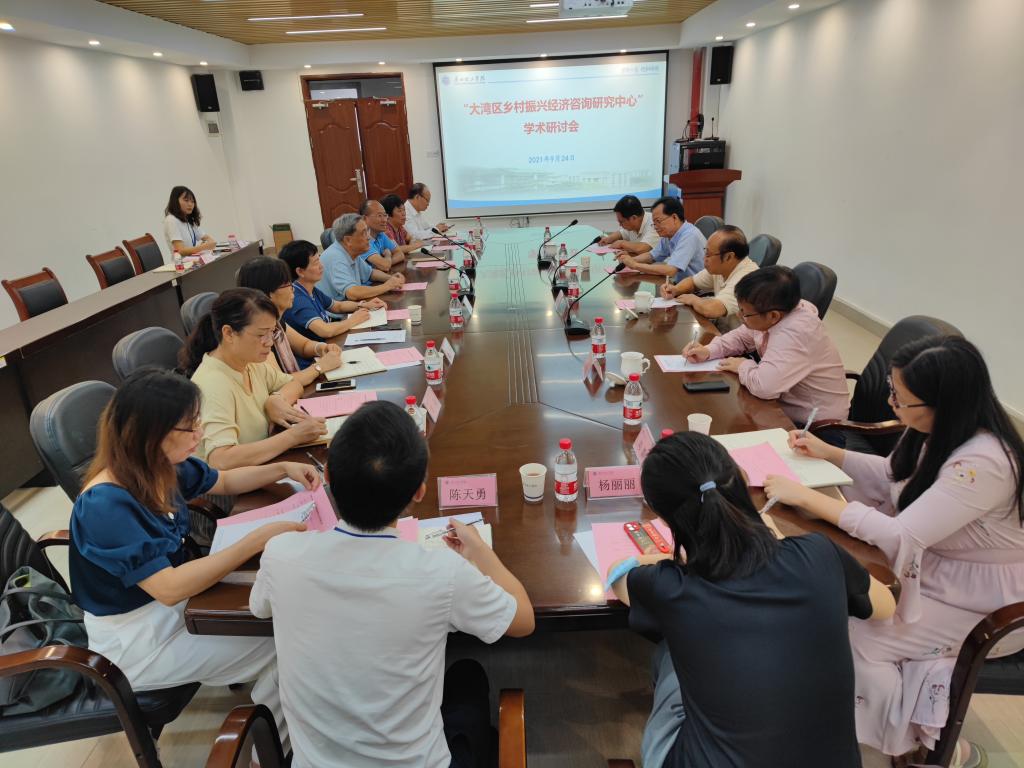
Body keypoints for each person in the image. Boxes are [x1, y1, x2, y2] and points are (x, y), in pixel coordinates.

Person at [762, 336, 1024, 766]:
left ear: (944, 404)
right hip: (936, 569)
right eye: (892, 392)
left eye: (900, 400)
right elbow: (892, 474)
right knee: (840, 607)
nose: (891, 405)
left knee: (858, 632)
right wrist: (831, 454)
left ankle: (905, 744)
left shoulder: (984, 464)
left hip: (982, 599)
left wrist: (809, 499)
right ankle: (882, 722)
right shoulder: (937, 430)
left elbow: (902, 535)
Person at [250, 400, 535, 768]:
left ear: (329, 476)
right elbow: (523, 620)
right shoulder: (442, 572)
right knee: (468, 676)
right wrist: (480, 551)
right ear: (419, 491)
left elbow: (260, 608)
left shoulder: (281, 554)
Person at [607, 431, 895, 768]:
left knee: (671, 656)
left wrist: (689, 557)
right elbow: (885, 605)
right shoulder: (819, 553)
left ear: (667, 518)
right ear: (739, 481)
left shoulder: (672, 587)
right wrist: (767, 535)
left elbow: (618, 573)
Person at [70, 368, 319, 755]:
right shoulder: (105, 505)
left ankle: (280, 734)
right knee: (285, 642)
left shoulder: (157, 466)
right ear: (151, 434)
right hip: (139, 641)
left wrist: (283, 469)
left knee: (285, 607)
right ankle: (268, 754)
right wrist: (255, 540)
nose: (199, 435)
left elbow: (224, 481)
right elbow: (169, 589)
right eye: (189, 428)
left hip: (174, 608)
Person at [682, 265, 849, 426]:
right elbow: (740, 337)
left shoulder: (796, 332)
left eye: (744, 313)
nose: (739, 315)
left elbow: (764, 387)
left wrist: (743, 365)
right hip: (783, 403)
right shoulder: (774, 311)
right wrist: (708, 350)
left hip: (816, 425)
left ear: (773, 316)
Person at [180, 288, 327, 469]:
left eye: (272, 332)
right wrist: (293, 436)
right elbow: (221, 459)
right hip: (235, 483)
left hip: (262, 467)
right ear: (229, 333)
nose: (269, 342)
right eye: (261, 335)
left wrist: (276, 399)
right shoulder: (213, 384)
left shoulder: (249, 362)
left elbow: (293, 383)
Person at [237, 256, 347, 383]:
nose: (293, 289)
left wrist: (322, 348)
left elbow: (304, 346)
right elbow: (281, 382)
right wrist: (320, 367)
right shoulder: (257, 337)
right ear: (268, 294)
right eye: (288, 284)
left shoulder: (277, 322)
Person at [278, 239, 387, 344]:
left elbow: (338, 306)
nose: (321, 266)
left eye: (319, 259)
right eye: (316, 263)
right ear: (300, 271)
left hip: (329, 344)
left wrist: (363, 305)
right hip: (317, 352)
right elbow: (325, 330)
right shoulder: (297, 298)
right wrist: (353, 320)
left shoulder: (310, 289)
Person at [660, 224, 760, 332]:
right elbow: (693, 282)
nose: (704, 258)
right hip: (723, 330)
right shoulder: (722, 268)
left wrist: (693, 299)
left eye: (708, 255)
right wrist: (675, 290)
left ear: (728, 257)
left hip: (739, 339)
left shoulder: (746, 278)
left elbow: (712, 309)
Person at [616, 196, 704, 283]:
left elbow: (670, 270)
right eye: (654, 223)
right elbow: (652, 256)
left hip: (697, 289)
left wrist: (635, 265)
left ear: (674, 218)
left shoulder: (689, 235)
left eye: (658, 221)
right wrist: (630, 260)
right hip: (680, 284)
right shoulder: (668, 235)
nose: (656, 227)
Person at [318, 213, 405, 302]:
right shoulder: (336, 257)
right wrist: (387, 286)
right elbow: (353, 293)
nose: (369, 237)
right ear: (348, 240)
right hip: (336, 309)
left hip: (351, 305)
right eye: (364, 233)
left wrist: (390, 278)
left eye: (367, 231)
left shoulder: (351, 252)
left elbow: (370, 273)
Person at [163, 185, 215, 256]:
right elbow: (180, 251)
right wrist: (203, 247)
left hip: (194, 260)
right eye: (186, 200)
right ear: (175, 201)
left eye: (192, 201)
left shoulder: (189, 220)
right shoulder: (171, 220)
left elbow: (209, 240)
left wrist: (207, 244)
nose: (190, 204)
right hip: (182, 262)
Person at [359, 199, 405, 271]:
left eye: (385, 215)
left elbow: (400, 254)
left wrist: (387, 262)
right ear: (364, 218)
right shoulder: (361, 239)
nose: (384, 220)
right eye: (379, 216)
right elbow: (384, 266)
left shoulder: (381, 234)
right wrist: (388, 255)